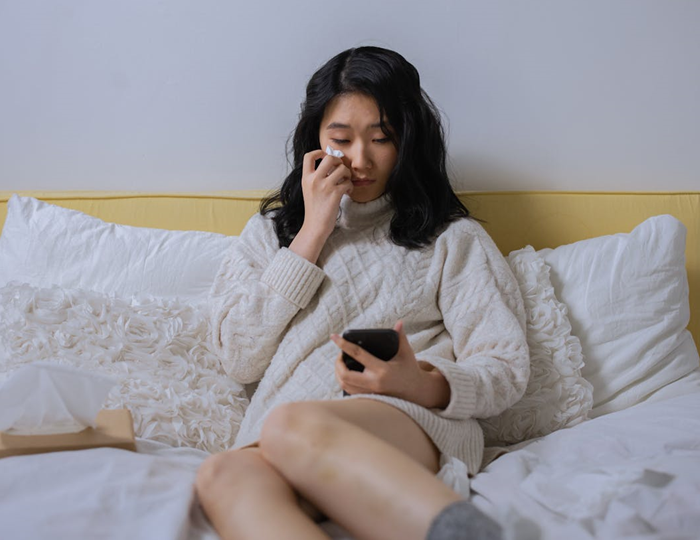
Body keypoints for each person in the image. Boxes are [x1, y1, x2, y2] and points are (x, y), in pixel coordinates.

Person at [195, 46, 529, 540]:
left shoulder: (451, 238)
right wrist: (311, 233)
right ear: (315, 141)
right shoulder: (271, 234)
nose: (360, 159)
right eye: (341, 139)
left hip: (408, 418)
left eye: (381, 139)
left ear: (408, 141)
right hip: (281, 431)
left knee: (291, 426)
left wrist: (422, 383)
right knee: (220, 473)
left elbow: (506, 366)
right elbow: (238, 358)